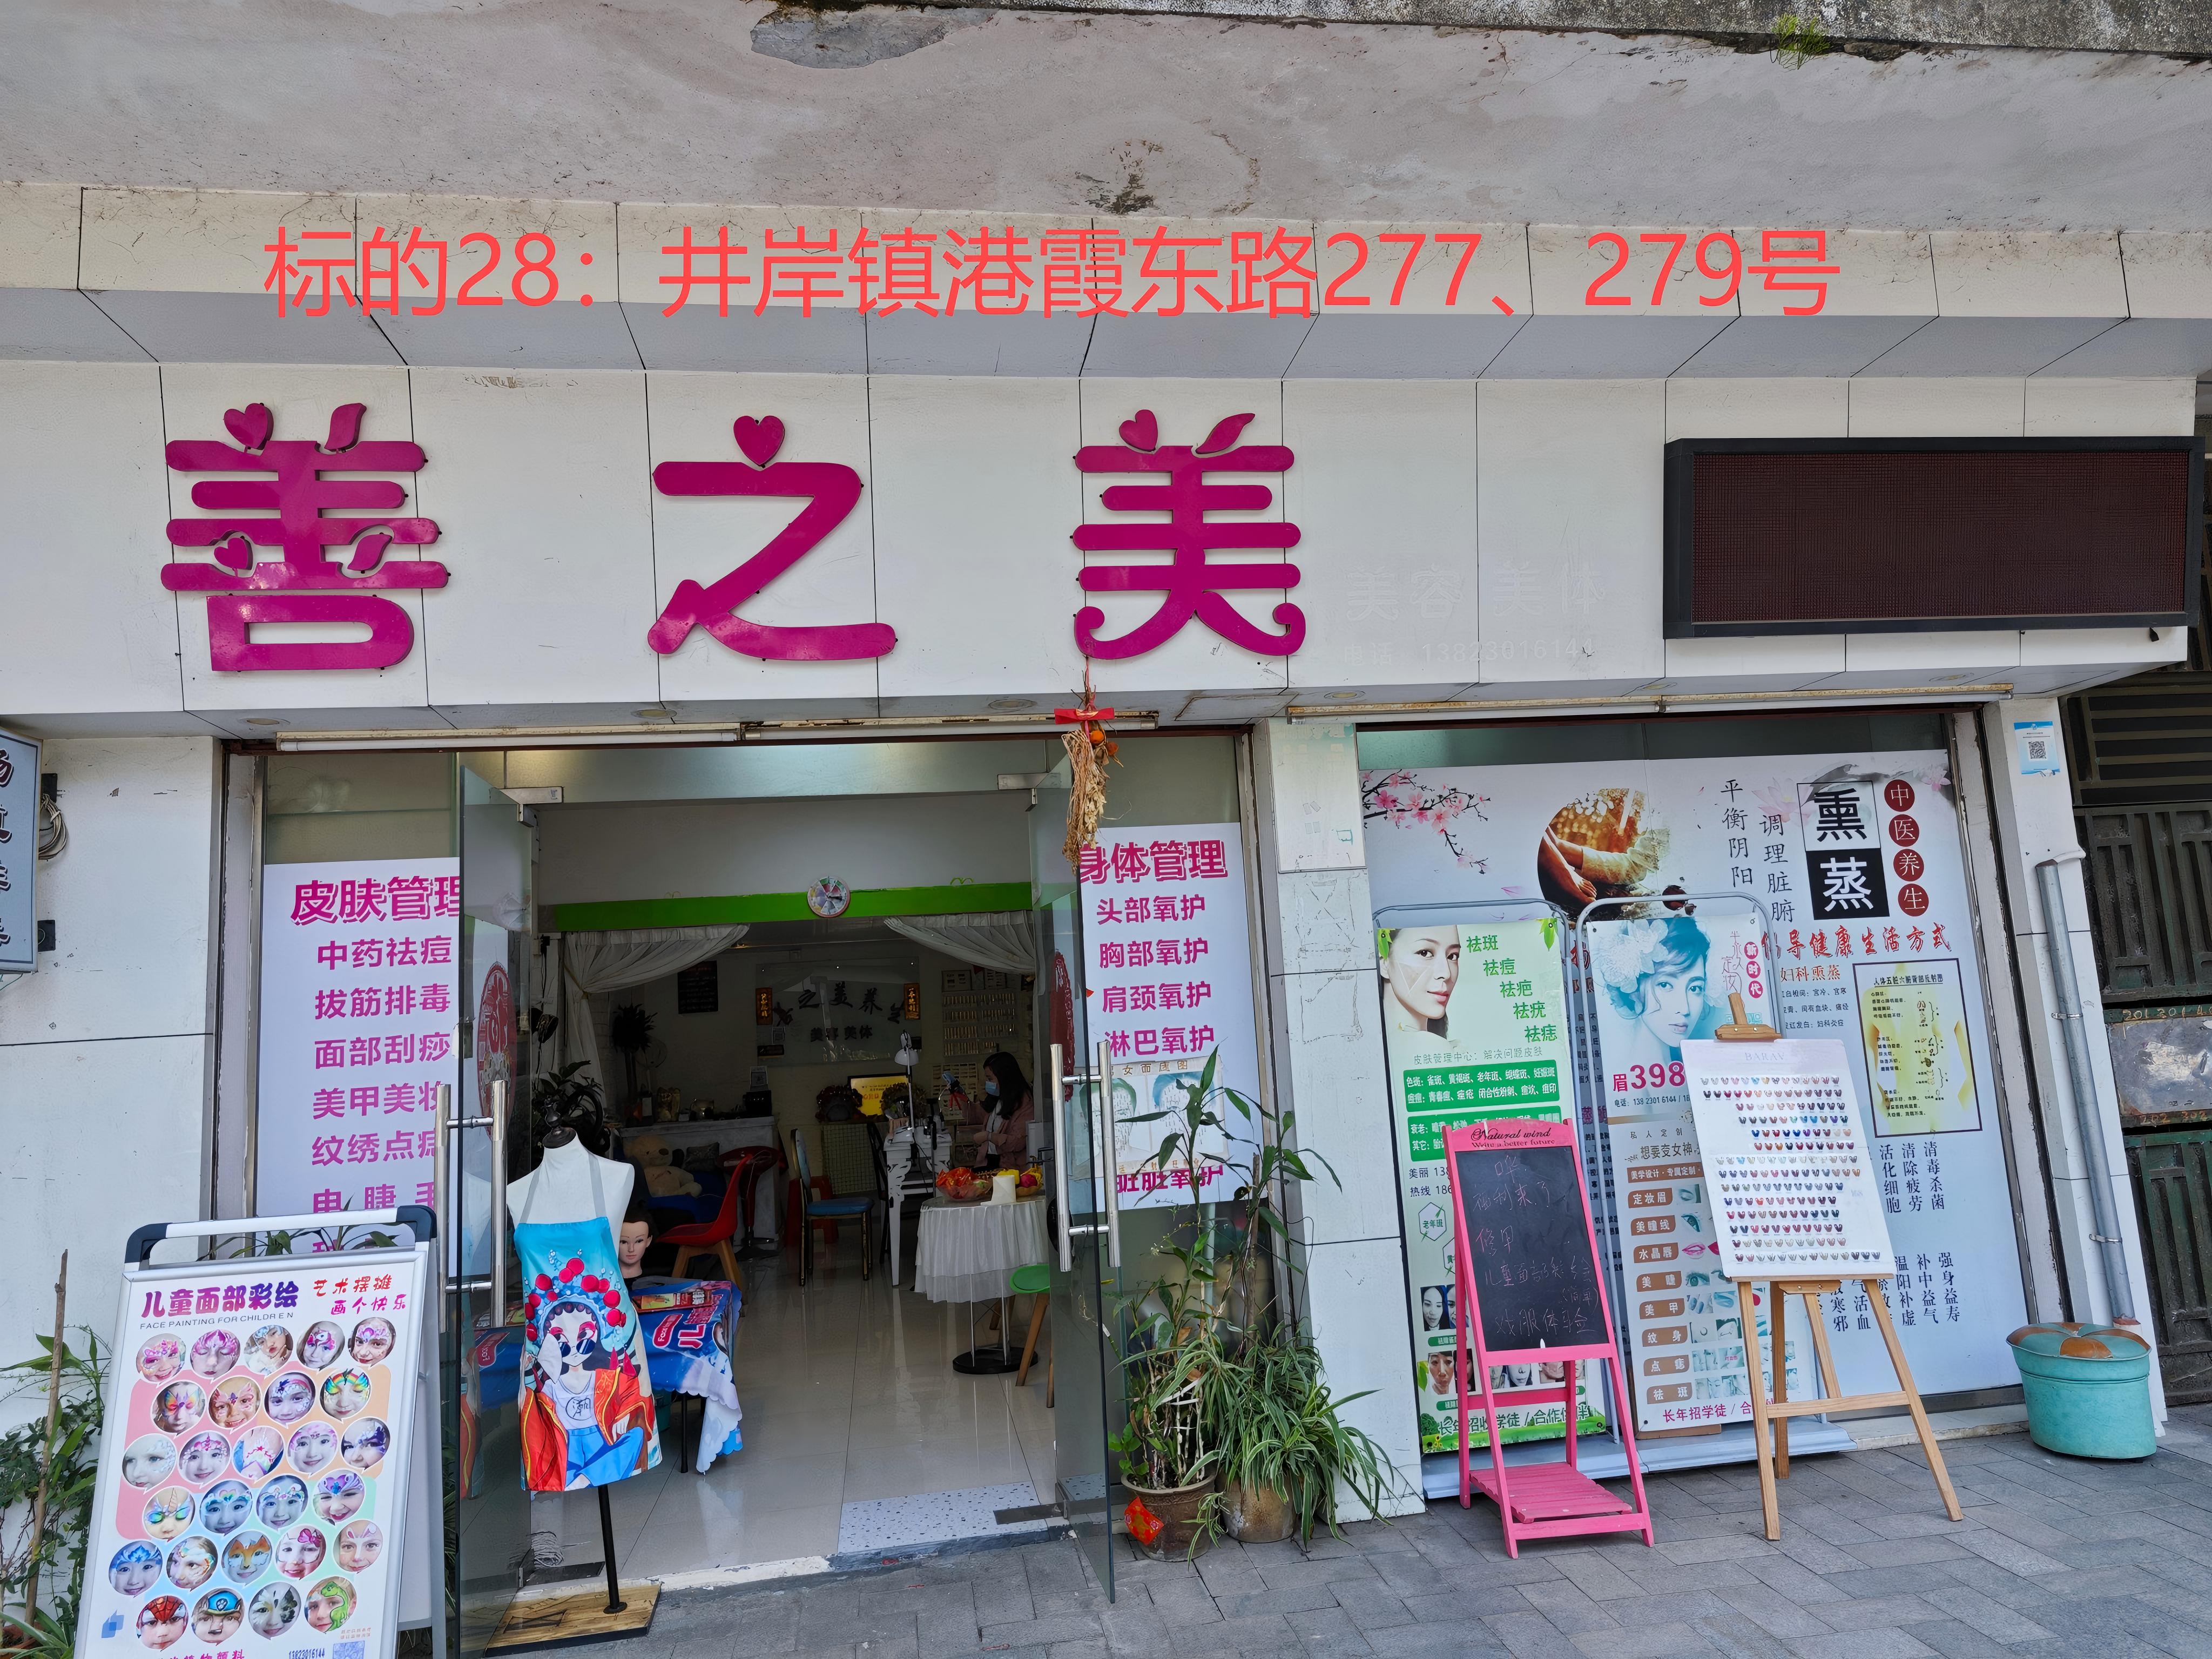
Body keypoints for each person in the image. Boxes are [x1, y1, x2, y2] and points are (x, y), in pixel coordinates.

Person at [1593, 916, 1711, 1068]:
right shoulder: (1618, 1071)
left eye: (1695, 988)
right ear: (1634, 988)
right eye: (1665, 985)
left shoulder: (1696, 1073)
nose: (1685, 1009)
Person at [1380, 927, 1464, 1053]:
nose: (1446, 973)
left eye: (1452, 956)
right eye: (1425, 953)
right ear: (1384, 963)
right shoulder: (1432, 1047)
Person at [977, 1052, 1035, 1167]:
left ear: (1004, 1077)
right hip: (991, 1159)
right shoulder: (998, 1097)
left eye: (990, 1079)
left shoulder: (1024, 1103)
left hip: (1011, 1166)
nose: (988, 1083)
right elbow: (979, 1113)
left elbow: (1017, 1142)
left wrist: (989, 1137)